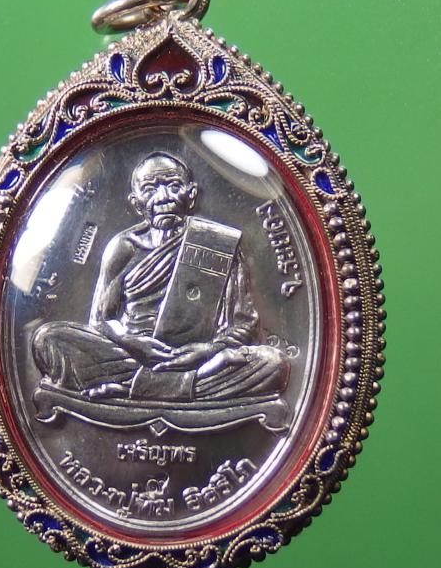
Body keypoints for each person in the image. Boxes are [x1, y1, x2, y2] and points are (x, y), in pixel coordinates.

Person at [32, 152, 289, 402]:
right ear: (137, 203)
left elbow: (244, 324)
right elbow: (101, 320)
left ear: (191, 195)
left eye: (174, 186)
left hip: (198, 358)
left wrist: (208, 350)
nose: (164, 197)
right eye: (150, 189)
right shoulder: (124, 247)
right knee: (49, 339)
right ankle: (178, 386)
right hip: (132, 355)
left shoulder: (218, 243)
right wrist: (130, 341)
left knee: (272, 363)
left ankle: (132, 388)